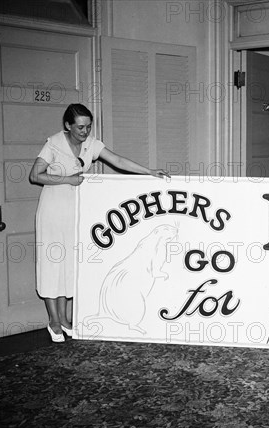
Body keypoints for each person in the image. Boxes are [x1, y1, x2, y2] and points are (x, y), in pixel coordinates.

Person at [30, 103, 169, 343]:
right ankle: (53, 321)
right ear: (68, 125)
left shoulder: (90, 144)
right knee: (53, 265)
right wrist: (67, 179)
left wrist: (149, 171)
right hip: (52, 213)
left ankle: (64, 319)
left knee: (68, 266)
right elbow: (35, 175)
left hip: (74, 213)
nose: (85, 131)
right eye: (80, 127)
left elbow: (117, 160)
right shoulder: (53, 143)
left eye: (88, 126)